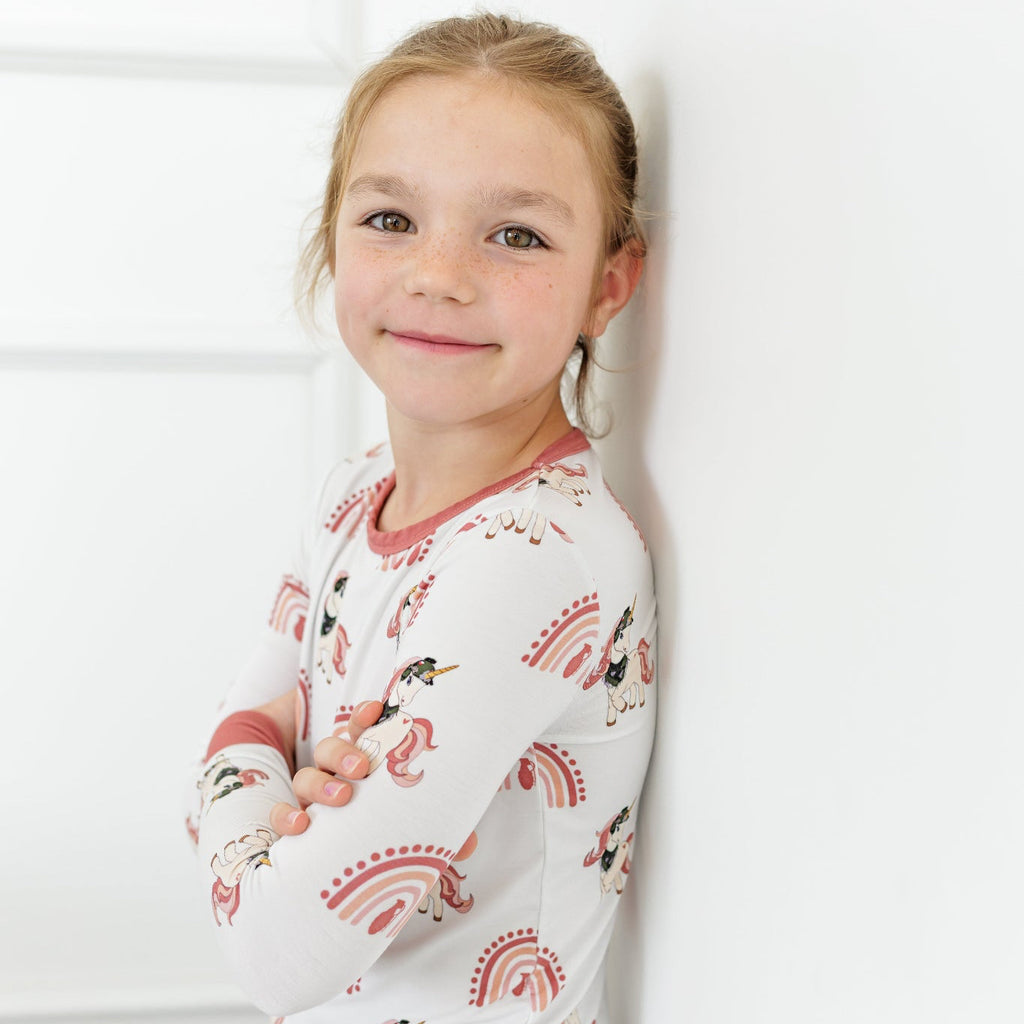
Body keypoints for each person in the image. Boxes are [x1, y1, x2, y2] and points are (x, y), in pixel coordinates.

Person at [185, 12, 656, 1023]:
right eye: (391, 218)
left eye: (516, 234)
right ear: (332, 232)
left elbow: (278, 950)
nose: (438, 274)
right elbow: (247, 720)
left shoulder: (535, 561)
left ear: (606, 285)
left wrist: (262, 775)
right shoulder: (352, 494)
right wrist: (267, 789)